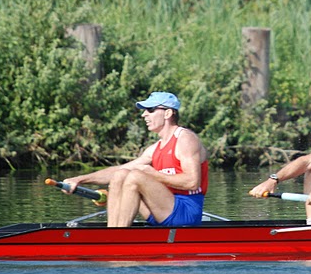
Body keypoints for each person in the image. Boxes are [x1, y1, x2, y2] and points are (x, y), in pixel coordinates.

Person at [63, 92, 209, 227]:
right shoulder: (155, 148)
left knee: (135, 176)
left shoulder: (186, 139)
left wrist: (153, 174)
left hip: (185, 212)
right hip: (161, 210)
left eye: (150, 110)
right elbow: (118, 170)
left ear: (168, 113)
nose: (144, 115)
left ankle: (119, 238)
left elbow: (192, 182)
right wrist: (79, 179)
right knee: (120, 175)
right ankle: (112, 233)